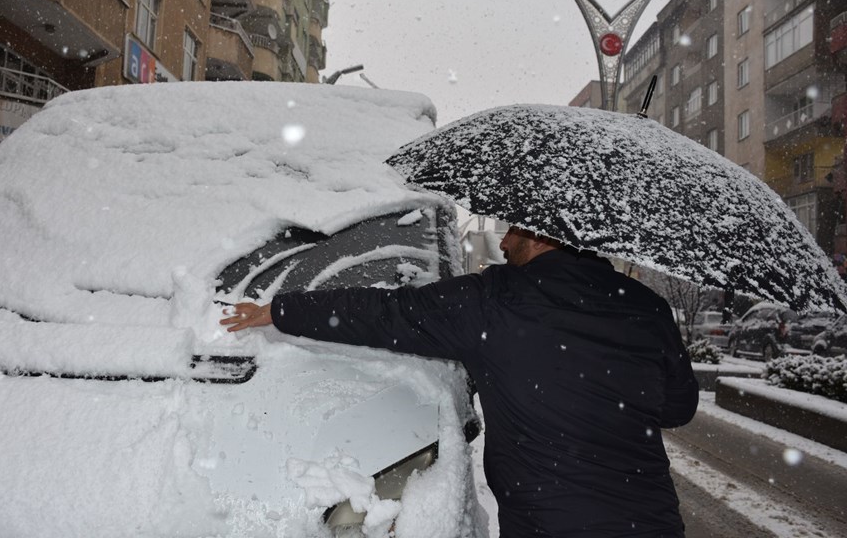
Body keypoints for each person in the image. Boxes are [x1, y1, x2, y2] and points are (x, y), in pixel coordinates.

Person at [220, 226, 698, 537]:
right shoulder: (645, 306)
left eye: (514, 231)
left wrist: (282, 309)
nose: (505, 243)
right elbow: (679, 407)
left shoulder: (496, 300)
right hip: (652, 522)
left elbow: (388, 314)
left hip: (548, 525)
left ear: (543, 237)